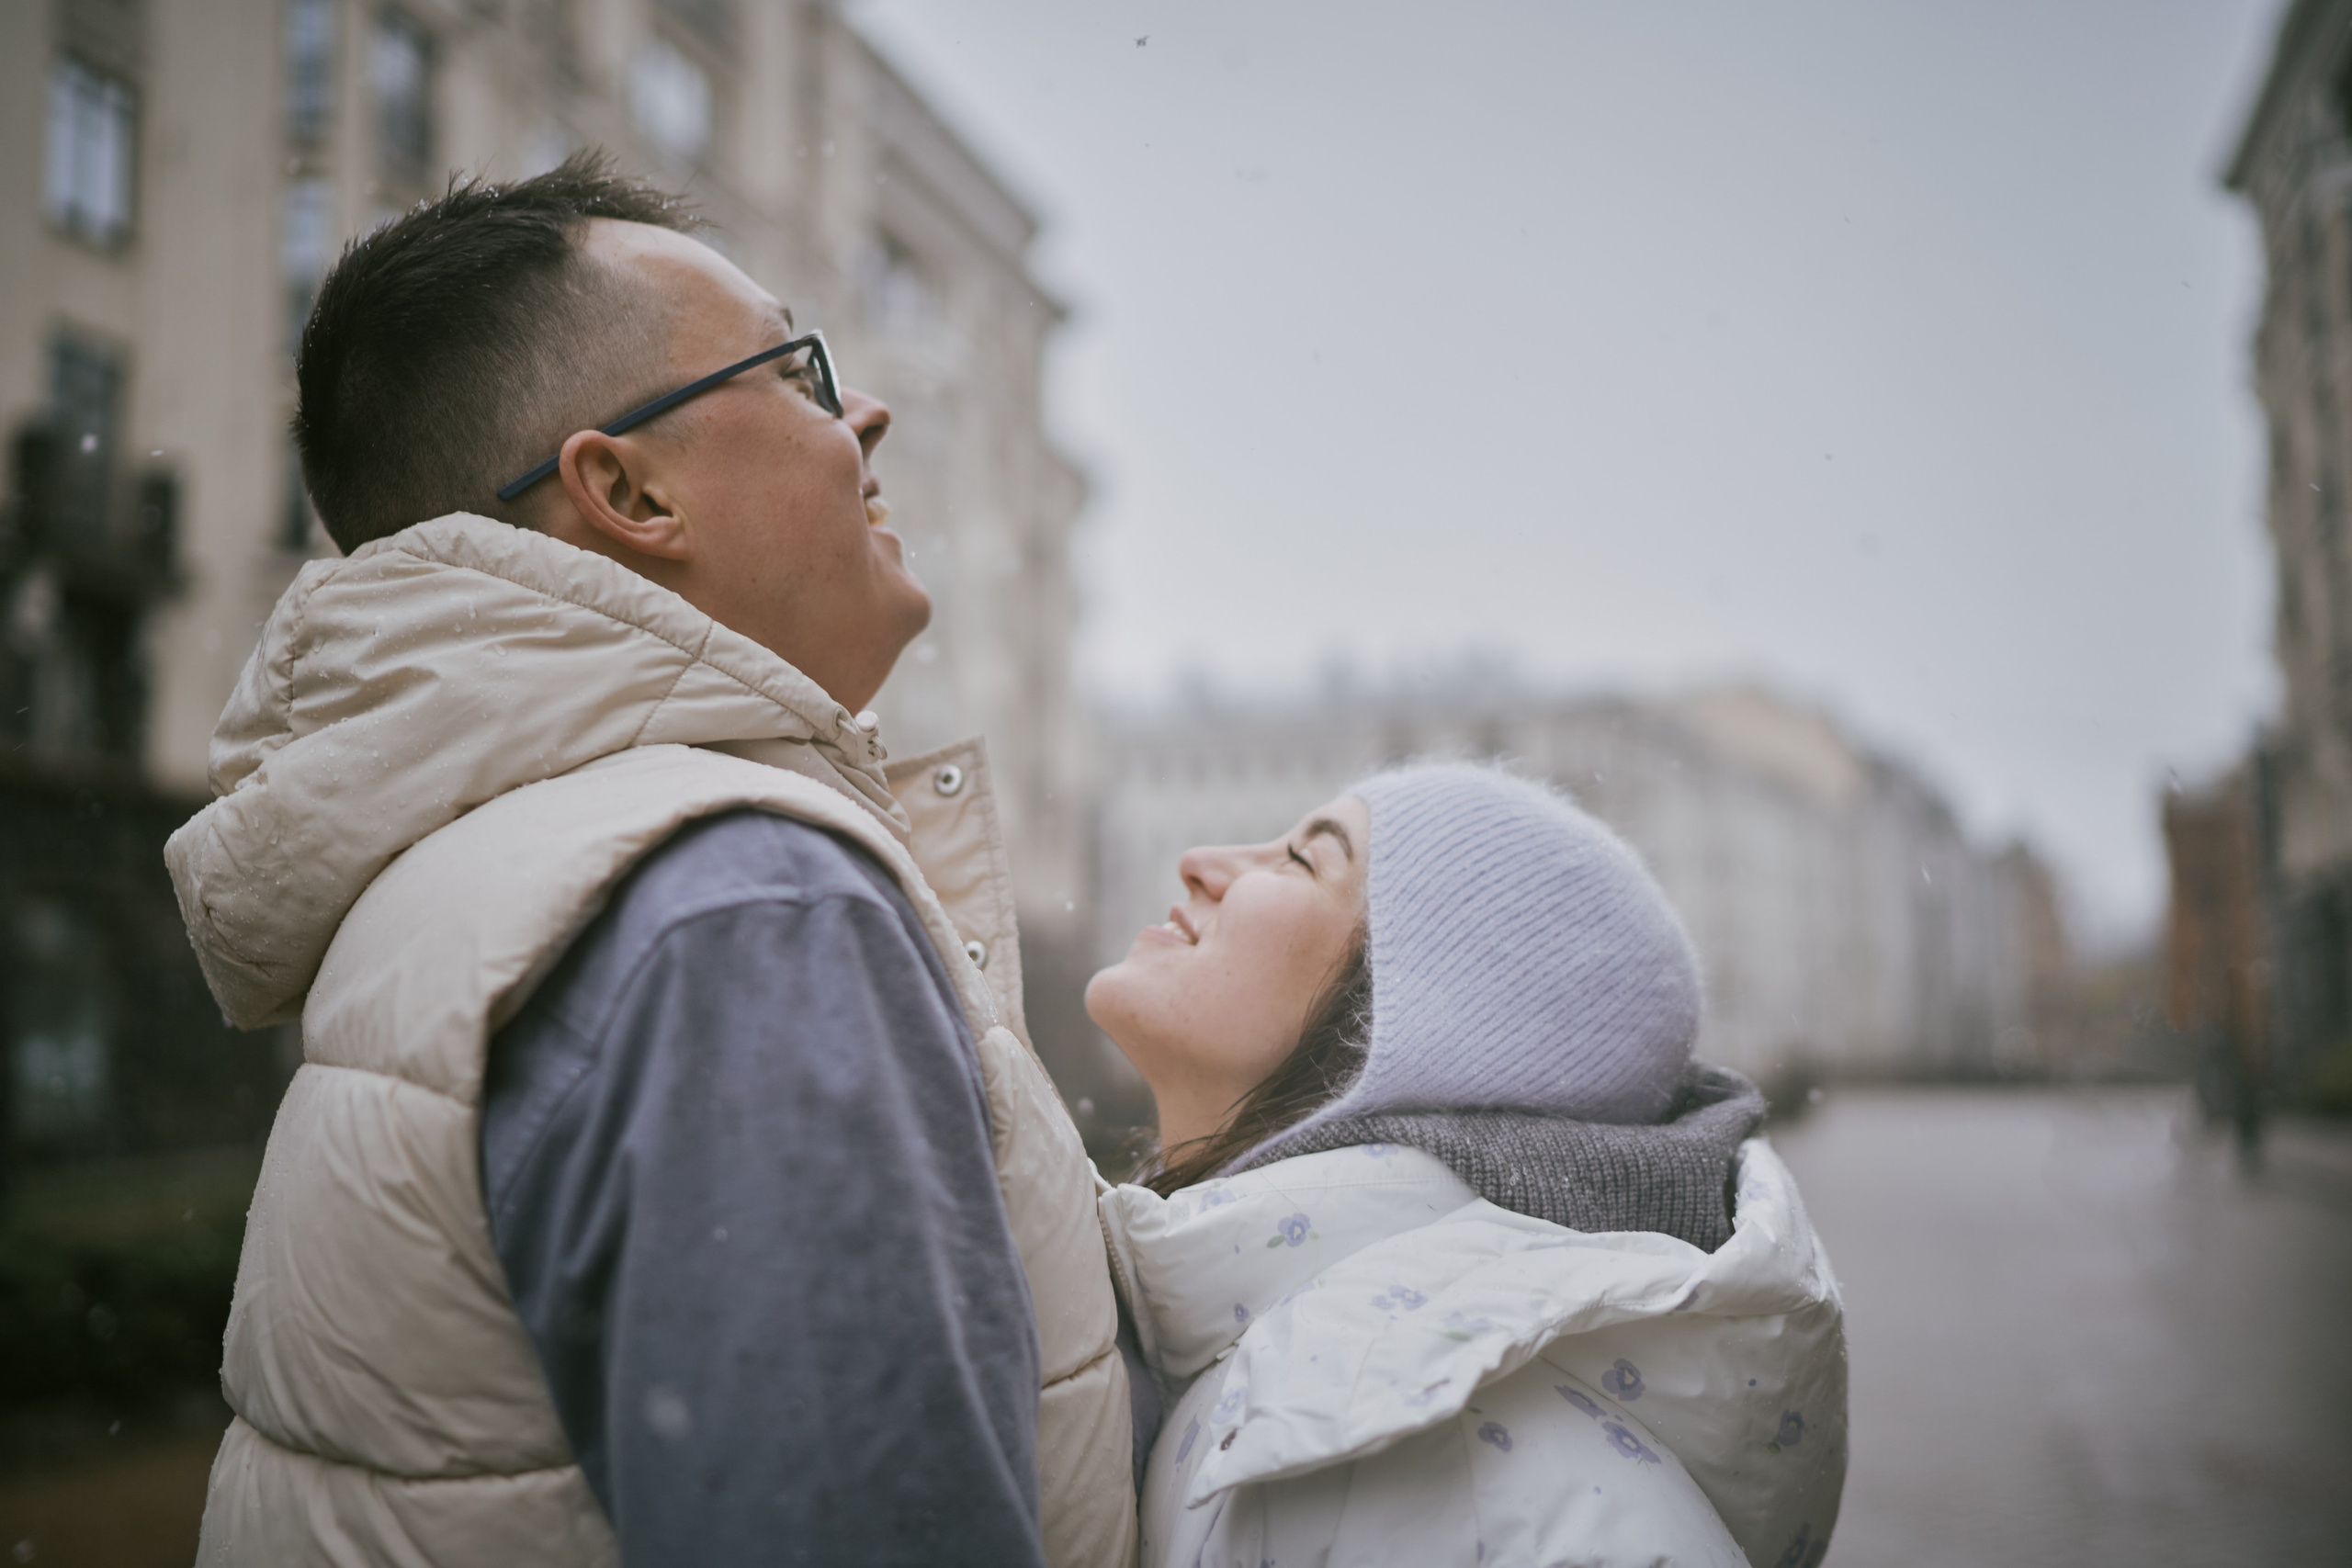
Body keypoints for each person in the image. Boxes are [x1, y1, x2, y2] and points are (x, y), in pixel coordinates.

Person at [164, 154, 1137, 1567]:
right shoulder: (741, 904)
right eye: (797, 370)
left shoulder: (468, 868)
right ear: (628, 490)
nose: (866, 413)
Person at [1088, 761, 1849, 1568]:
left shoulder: (1485, 1508)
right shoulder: (1276, 1385)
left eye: (1302, 861)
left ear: (1407, 1032)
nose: (1201, 860)